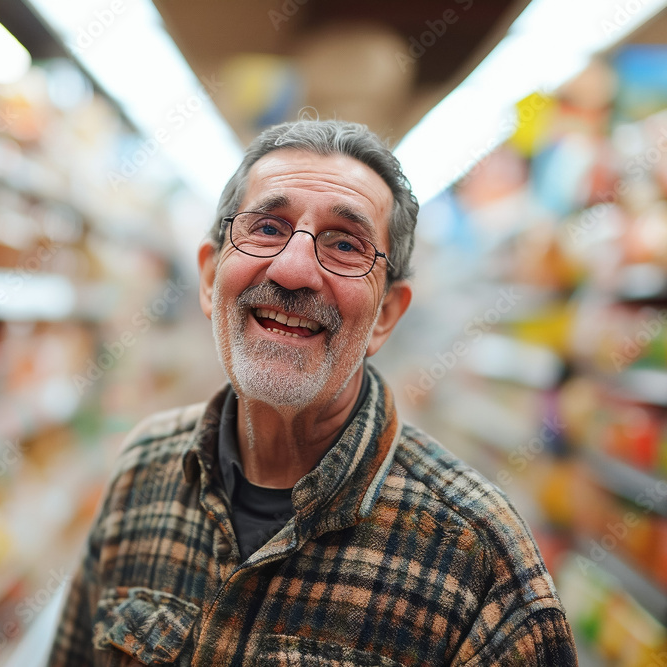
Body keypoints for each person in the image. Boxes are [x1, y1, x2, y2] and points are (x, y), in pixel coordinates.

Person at [49, 119, 578, 666]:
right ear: (209, 280)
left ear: (385, 316)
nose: (294, 269)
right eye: (268, 228)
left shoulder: (482, 564)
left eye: (346, 244)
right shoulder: (142, 470)